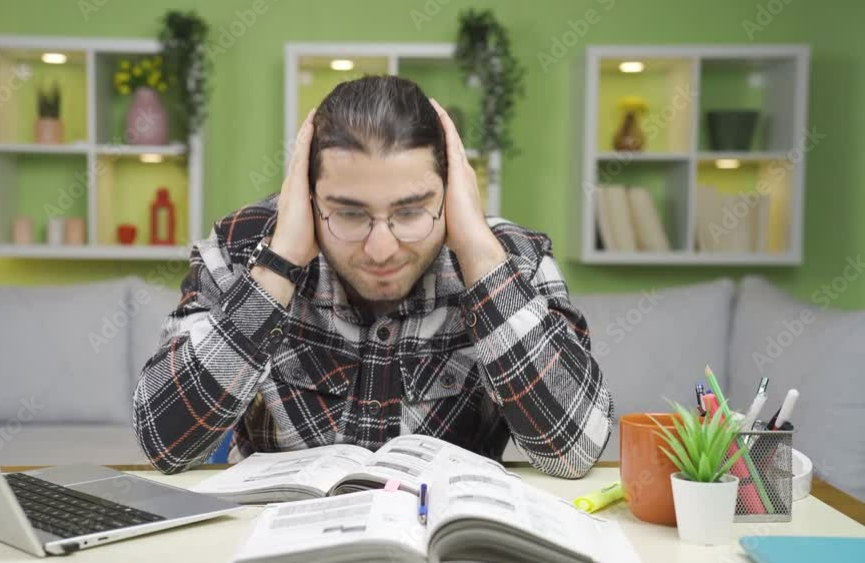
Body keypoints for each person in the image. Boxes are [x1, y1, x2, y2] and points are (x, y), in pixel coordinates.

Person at [132, 75, 613, 479]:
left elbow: (573, 450)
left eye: (411, 212)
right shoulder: (242, 253)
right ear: (307, 196)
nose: (381, 249)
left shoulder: (515, 262)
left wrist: (479, 257)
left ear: (452, 190)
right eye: (348, 214)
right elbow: (165, 442)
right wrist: (277, 268)